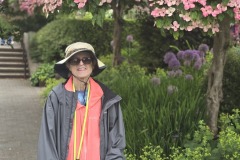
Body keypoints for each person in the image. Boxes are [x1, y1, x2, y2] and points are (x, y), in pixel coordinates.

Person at [37, 42, 126, 160]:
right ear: (68, 65)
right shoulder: (56, 98)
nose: (81, 64)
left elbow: (116, 143)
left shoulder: (107, 98)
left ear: (93, 64)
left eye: (86, 59)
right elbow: (47, 142)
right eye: (75, 60)